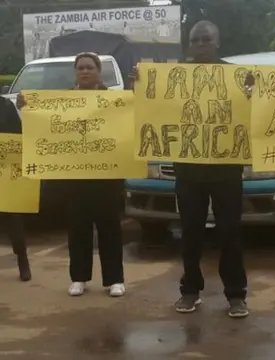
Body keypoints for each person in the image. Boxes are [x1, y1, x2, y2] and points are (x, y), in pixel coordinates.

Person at [132, 21, 249, 317]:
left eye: (205, 39)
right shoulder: (174, 77)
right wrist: (141, 83)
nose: (199, 45)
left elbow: (257, 107)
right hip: (188, 172)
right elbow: (149, 107)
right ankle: (190, 290)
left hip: (226, 171)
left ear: (217, 42)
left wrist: (252, 89)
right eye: (195, 40)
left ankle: (236, 295)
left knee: (230, 234)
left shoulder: (236, 76)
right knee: (190, 234)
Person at [18, 53, 125, 297]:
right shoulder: (62, 101)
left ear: (99, 72)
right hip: (75, 177)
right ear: (76, 73)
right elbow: (43, 126)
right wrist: (26, 107)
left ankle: (115, 279)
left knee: (110, 228)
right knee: (78, 229)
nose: (85, 71)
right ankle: (79, 278)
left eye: (89, 67)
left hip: (107, 176)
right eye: (80, 68)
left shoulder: (115, 100)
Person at [0, 96, 31, 282]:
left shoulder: (5, 106)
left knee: (13, 220)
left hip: (6, 172)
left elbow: (20, 136)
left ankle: (23, 260)